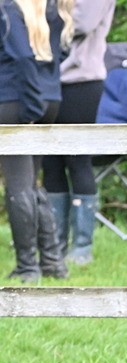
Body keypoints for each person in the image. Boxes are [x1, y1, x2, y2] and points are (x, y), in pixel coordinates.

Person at [1, 0, 71, 282]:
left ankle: (28, 266)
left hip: (15, 100)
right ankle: (53, 261)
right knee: (32, 182)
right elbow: (61, 52)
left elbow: (21, 56)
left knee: (18, 185)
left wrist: (31, 106)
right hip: (49, 97)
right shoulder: (50, 6)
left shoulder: (8, 7)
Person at [42, 0, 112, 270]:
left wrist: (38, 18)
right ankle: (55, 245)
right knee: (50, 163)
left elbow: (82, 24)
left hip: (82, 81)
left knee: (77, 160)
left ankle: (82, 247)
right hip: (47, 80)